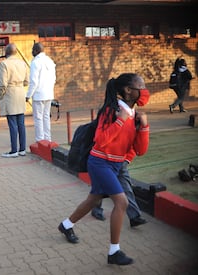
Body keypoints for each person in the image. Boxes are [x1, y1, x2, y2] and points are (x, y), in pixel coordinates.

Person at [57, 73, 150, 266]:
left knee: (93, 200)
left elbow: (140, 150)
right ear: (127, 90)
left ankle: (66, 225)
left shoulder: (135, 115)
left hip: (116, 164)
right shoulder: (112, 110)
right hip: (100, 162)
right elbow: (100, 140)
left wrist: (144, 127)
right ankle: (113, 252)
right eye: (140, 86)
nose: (144, 90)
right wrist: (119, 121)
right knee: (121, 203)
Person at [0, 43, 29, 158]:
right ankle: (22, 149)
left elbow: (2, 83)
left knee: (12, 123)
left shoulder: (4, 64)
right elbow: (26, 81)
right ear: (16, 52)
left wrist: (0, 96)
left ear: (6, 52)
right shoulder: (22, 63)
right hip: (20, 92)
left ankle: (14, 150)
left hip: (10, 93)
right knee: (21, 123)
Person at [26, 42, 56, 142]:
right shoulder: (50, 61)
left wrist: (28, 95)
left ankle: (40, 140)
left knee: (38, 118)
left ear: (36, 51)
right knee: (46, 116)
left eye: (32, 50)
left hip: (39, 94)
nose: (31, 52)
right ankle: (48, 138)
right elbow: (54, 79)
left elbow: (33, 81)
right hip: (48, 94)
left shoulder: (35, 62)